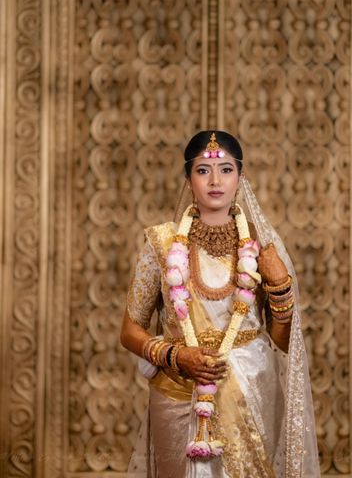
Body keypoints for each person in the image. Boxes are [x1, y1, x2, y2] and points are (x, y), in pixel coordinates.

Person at [120, 130, 320, 478]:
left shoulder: (260, 247)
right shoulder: (162, 243)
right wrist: (176, 356)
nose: (215, 180)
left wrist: (281, 291)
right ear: (188, 178)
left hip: (248, 388)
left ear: (240, 178)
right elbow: (129, 331)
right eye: (203, 170)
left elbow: (284, 342)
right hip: (177, 392)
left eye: (226, 170)